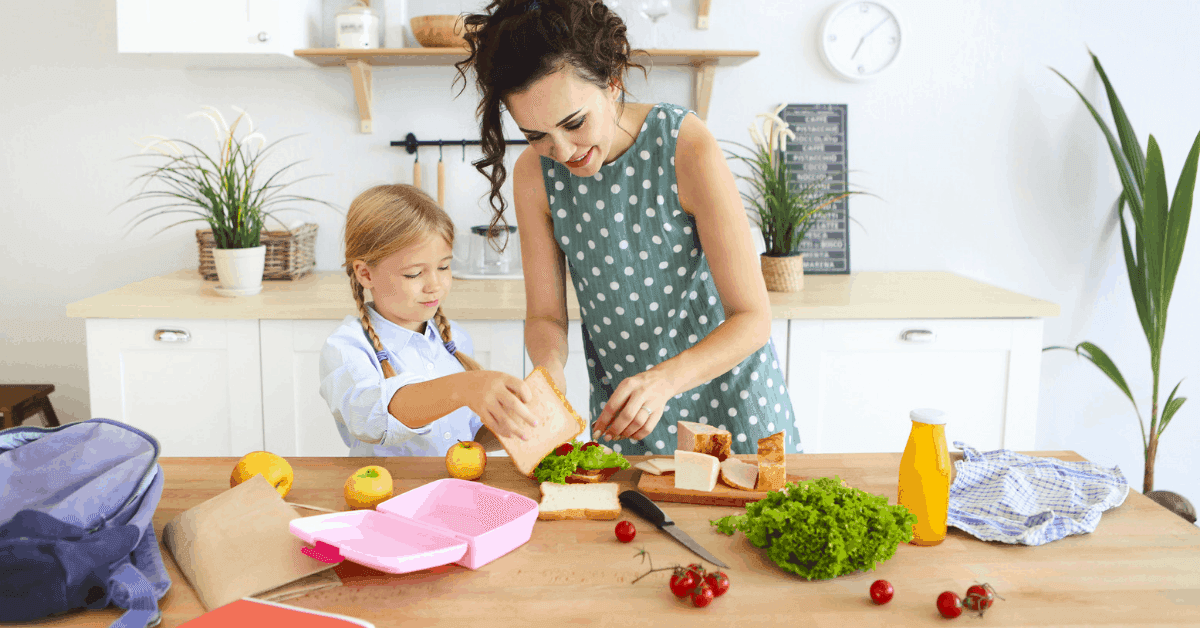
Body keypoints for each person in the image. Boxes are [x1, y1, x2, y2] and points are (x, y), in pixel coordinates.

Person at [454, 0, 801, 455]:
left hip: (734, 406)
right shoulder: (534, 175)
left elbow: (752, 319)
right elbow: (546, 317)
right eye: (535, 135)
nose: (561, 149)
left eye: (574, 122)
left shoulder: (685, 146)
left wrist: (662, 382)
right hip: (628, 422)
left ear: (613, 83)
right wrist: (550, 373)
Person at [318, 184, 539, 456]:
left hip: (456, 489)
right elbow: (372, 420)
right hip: (389, 494)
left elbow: (470, 437)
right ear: (365, 274)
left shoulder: (454, 339)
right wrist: (465, 387)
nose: (435, 284)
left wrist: (515, 421)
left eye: (444, 266)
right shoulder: (346, 346)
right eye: (414, 273)